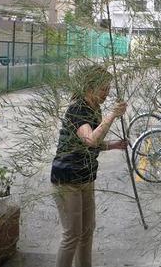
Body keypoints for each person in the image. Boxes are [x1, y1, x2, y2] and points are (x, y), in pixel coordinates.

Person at [50, 64, 128, 267]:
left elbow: (91, 145)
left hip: (86, 176)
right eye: (104, 88)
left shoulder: (95, 108)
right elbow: (89, 140)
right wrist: (113, 115)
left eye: (109, 88)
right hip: (67, 179)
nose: (107, 92)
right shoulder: (77, 109)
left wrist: (113, 145)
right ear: (89, 86)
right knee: (72, 235)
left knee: (87, 231)